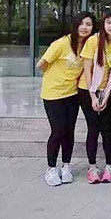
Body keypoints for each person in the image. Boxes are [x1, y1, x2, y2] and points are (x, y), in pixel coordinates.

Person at [38, 12, 95, 186]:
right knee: (58, 130)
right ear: (75, 25)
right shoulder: (61, 43)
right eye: (81, 24)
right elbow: (41, 64)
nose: (84, 27)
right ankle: (51, 168)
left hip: (73, 94)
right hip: (53, 94)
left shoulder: (88, 45)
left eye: (89, 24)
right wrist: (55, 76)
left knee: (69, 131)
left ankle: (66, 165)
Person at [79, 9, 111, 184]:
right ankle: (92, 167)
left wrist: (105, 96)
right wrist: (92, 95)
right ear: (103, 25)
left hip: (109, 91)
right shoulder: (93, 41)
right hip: (88, 89)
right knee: (93, 128)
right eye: (109, 22)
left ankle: (109, 165)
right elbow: (87, 69)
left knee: (107, 129)